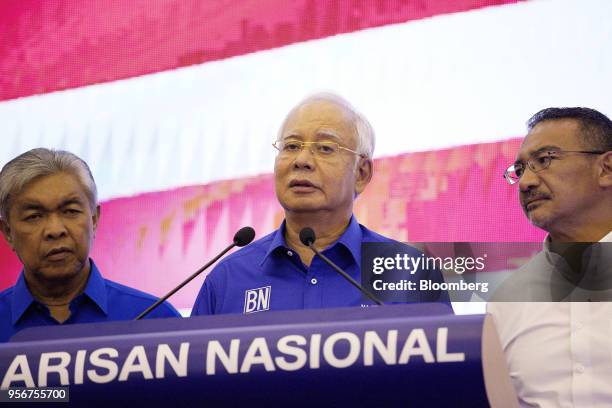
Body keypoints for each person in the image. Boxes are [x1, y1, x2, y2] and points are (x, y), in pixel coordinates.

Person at [192, 93, 449, 315]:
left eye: (325, 148)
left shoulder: (411, 275)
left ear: (361, 173)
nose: (301, 160)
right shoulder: (228, 279)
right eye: (291, 146)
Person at [488, 107, 612, 406]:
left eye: (545, 161)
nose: (526, 182)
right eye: (519, 170)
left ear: (606, 169)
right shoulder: (506, 299)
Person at [0, 148, 180, 342]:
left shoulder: (155, 321)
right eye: (34, 216)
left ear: (94, 219)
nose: (55, 230)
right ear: (8, 232)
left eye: (70, 211)